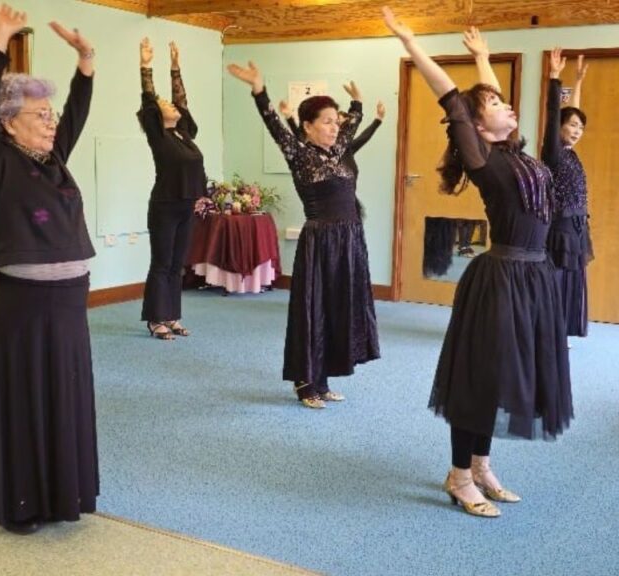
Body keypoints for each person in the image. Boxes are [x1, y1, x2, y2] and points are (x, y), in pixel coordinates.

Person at [384, 8, 572, 517]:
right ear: (476, 125)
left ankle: (481, 464)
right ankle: (459, 475)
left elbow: (490, 108)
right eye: (497, 104)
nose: (508, 107)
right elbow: (451, 98)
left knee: (508, 377)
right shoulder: (483, 158)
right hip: (503, 278)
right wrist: (411, 42)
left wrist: (485, 59)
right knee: (480, 379)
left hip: (536, 277)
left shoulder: (514, 150)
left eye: (506, 102)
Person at [0, 3, 98, 535]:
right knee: (26, 397)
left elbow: (78, 113)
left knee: (65, 393)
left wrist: (86, 61)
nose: (51, 122)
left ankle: (64, 493)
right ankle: (20, 502)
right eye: (39, 115)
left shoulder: (55, 156)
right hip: (23, 303)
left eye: (50, 114)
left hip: (70, 297)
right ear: (8, 123)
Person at [226, 63, 380, 409]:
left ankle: (323, 378)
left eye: (334, 120)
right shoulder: (299, 154)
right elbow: (273, 124)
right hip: (321, 242)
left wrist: (356, 104)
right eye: (326, 121)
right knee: (315, 311)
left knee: (340, 309)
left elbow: (352, 122)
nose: (334, 125)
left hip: (351, 240)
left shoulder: (340, 149)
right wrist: (259, 89)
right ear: (307, 127)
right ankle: (305, 381)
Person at [137, 38, 206, 340]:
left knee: (178, 264)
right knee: (162, 263)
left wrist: (175, 67)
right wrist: (146, 66)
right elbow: (150, 100)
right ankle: (155, 319)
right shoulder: (158, 135)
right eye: (166, 105)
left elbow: (182, 100)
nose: (172, 105)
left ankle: (172, 316)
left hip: (186, 205)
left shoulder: (184, 134)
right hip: (165, 206)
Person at [543, 54, 593, 342]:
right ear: (559, 127)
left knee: (571, 281)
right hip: (559, 229)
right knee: (557, 281)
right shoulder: (553, 152)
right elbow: (556, 114)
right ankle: (549, 334)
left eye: (581, 128)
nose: (576, 131)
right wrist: (555, 78)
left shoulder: (570, 153)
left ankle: (560, 332)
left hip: (577, 227)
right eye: (572, 125)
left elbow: (572, 110)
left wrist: (578, 82)